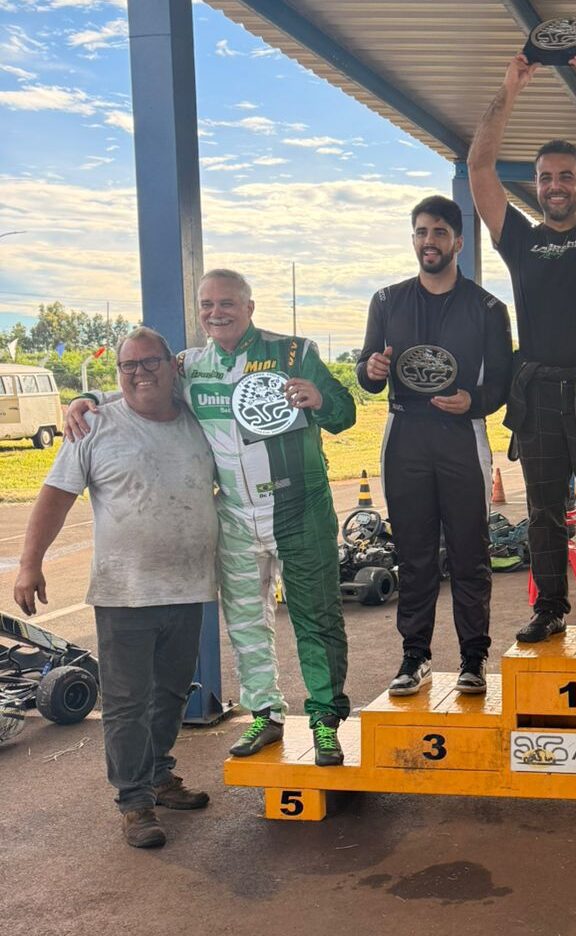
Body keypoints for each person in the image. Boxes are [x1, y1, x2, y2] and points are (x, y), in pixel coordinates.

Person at [66, 270, 356, 767]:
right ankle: (265, 713)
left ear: (249, 307)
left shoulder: (294, 352)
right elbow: (145, 389)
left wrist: (322, 399)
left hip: (299, 508)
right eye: (207, 305)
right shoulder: (189, 365)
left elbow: (345, 413)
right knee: (245, 621)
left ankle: (326, 722)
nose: (216, 313)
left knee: (316, 617)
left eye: (227, 303)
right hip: (235, 514)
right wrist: (90, 400)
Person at [16, 327, 218, 847]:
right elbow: (55, 496)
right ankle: (134, 802)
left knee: (171, 693)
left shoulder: (196, 420)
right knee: (129, 702)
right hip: (124, 593)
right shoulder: (95, 426)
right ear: (118, 373)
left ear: (172, 366)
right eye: (128, 366)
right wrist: (30, 564)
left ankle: (159, 775)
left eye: (150, 363)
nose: (139, 374)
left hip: (188, 587)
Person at [467, 51, 576, 646]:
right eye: (545, 177)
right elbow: (479, 166)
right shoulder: (519, 239)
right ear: (536, 186)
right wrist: (509, 87)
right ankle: (550, 609)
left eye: (566, 176)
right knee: (542, 510)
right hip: (538, 395)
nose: (555, 185)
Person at [357, 195, 512, 697]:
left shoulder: (488, 308)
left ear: (458, 242)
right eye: (422, 232)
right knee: (414, 553)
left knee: (470, 551)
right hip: (405, 436)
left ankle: (474, 657)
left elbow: (503, 382)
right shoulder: (386, 301)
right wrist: (371, 370)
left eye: (440, 232)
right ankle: (415, 656)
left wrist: (473, 401)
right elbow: (368, 374)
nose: (430, 241)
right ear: (413, 239)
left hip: (461, 437)